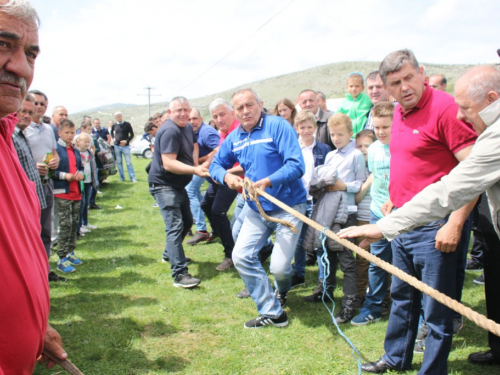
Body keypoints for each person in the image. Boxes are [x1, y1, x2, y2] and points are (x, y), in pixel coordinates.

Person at [341, 64, 500, 368]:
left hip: (432, 225)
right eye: (394, 83)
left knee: (437, 307)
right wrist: (394, 200)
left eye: (466, 107)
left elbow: (459, 184)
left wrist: (452, 222)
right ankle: (397, 358)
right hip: (405, 220)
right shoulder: (399, 113)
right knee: (403, 295)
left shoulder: (454, 115)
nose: (460, 115)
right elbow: (407, 165)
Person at [0, 1, 68, 372]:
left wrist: (35, 324)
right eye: (2, 44)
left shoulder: (7, 137)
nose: (21, 68)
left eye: (29, 53)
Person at [210, 88, 307, 329]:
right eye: (240, 108)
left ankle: (282, 290)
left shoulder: (278, 126)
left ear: (260, 104)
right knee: (241, 256)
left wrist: (268, 180)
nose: (245, 111)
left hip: (288, 206)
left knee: (280, 269)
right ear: (235, 113)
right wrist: (227, 177)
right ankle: (273, 312)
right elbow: (215, 165)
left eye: (249, 105)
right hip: (256, 209)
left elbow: (296, 165)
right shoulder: (235, 138)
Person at [307, 113, 365, 323]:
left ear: (351, 134)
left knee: (346, 258)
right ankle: (327, 290)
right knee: (327, 252)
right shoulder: (330, 155)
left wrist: (344, 186)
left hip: (346, 211)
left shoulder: (356, 155)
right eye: (333, 134)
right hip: (327, 209)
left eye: (341, 134)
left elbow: (362, 182)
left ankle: (349, 304)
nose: (337, 138)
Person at [148, 96, 208, 288]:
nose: (182, 113)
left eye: (185, 109)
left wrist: (197, 163)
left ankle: (169, 254)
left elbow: (191, 149)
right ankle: (180, 275)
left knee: (187, 221)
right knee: (175, 226)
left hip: (177, 185)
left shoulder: (187, 127)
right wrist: (194, 169)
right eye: (178, 110)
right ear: (170, 112)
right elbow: (169, 163)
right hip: (164, 184)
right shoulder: (170, 131)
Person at [351, 102, 394, 325]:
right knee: (376, 262)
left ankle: (401, 308)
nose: (381, 132)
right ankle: (373, 306)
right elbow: (377, 178)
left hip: (399, 215)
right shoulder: (375, 149)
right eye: (377, 127)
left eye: (386, 127)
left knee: (401, 267)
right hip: (377, 213)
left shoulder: (402, 146)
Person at [24, 90, 63, 281]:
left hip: (46, 181)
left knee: (45, 227)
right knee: (29, 229)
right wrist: (33, 165)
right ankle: (30, 271)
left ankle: (45, 269)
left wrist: (55, 160)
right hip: (27, 184)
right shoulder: (22, 127)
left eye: (42, 104)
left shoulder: (48, 129)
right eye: (36, 103)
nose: (39, 107)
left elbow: (53, 152)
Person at [290, 110, 331, 288]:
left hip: (317, 200)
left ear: (315, 127)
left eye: (309, 127)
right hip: (299, 199)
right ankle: (299, 273)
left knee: (320, 240)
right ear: (297, 128)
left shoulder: (323, 149)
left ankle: (323, 279)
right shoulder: (293, 148)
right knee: (298, 240)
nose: (306, 130)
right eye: (302, 127)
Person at [199, 99, 240, 270]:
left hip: (234, 179)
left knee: (218, 211)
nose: (219, 119)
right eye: (215, 116)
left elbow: (244, 163)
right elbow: (218, 153)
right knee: (206, 204)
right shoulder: (223, 132)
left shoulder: (238, 131)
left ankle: (230, 254)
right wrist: (207, 165)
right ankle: (220, 232)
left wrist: (224, 174)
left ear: (232, 113)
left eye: (222, 114)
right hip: (221, 177)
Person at [53, 119, 85, 273]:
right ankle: (61, 258)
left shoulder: (76, 150)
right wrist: (65, 175)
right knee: (65, 225)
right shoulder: (55, 149)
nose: (70, 135)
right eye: (67, 132)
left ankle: (70, 252)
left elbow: (81, 167)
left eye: (72, 133)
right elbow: (50, 170)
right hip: (62, 193)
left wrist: (81, 174)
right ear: (59, 133)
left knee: (74, 225)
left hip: (76, 193)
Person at [185, 108, 219, 245]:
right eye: (189, 119)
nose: (192, 122)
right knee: (206, 203)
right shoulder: (194, 132)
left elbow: (219, 150)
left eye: (194, 118)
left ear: (201, 119)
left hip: (217, 173)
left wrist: (201, 162)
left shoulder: (206, 132)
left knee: (190, 190)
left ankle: (201, 230)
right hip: (208, 175)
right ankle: (215, 230)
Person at [352, 129, 376, 309]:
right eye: (359, 145)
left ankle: (383, 294)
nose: (363, 149)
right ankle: (360, 293)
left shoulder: (382, 164)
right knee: (361, 259)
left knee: (380, 260)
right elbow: (357, 198)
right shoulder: (358, 168)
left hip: (379, 218)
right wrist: (369, 182)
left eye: (367, 145)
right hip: (361, 218)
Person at [74, 132, 98, 236]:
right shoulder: (75, 153)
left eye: (88, 142)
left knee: (86, 203)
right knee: (81, 203)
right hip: (80, 182)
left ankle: (85, 222)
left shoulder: (89, 152)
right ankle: (79, 227)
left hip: (88, 181)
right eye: (85, 141)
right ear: (78, 142)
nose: (87, 144)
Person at [338, 72, 373, 136]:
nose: (354, 88)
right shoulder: (344, 102)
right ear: (347, 87)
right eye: (351, 86)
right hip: (350, 136)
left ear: (362, 88)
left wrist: (390, 96)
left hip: (364, 134)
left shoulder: (367, 98)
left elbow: (378, 101)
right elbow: (336, 116)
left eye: (357, 86)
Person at [111, 111, 137, 182]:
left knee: (128, 162)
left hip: (125, 146)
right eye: (118, 117)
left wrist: (126, 141)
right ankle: (122, 177)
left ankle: (132, 177)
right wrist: (113, 138)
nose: (120, 118)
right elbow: (111, 132)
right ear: (116, 118)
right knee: (119, 162)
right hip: (117, 146)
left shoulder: (127, 124)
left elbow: (132, 134)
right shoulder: (114, 125)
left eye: (120, 116)